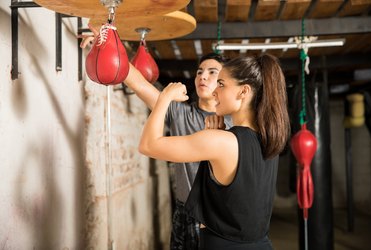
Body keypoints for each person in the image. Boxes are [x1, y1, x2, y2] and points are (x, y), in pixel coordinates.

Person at [80, 24, 232, 249]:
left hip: (216, 214)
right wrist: (108, 44)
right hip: (184, 211)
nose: (203, 76)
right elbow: (139, 84)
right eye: (200, 71)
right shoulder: (180, 112)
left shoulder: (233, 122)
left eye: (212, 72)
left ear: (223, 82)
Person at [137, 54, 290, 249]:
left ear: (243, 92)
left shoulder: (222, 142)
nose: (215, 91)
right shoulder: (270, 139)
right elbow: (234, 202)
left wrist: (164, 97)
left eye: (222, 84)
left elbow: (148, 145)